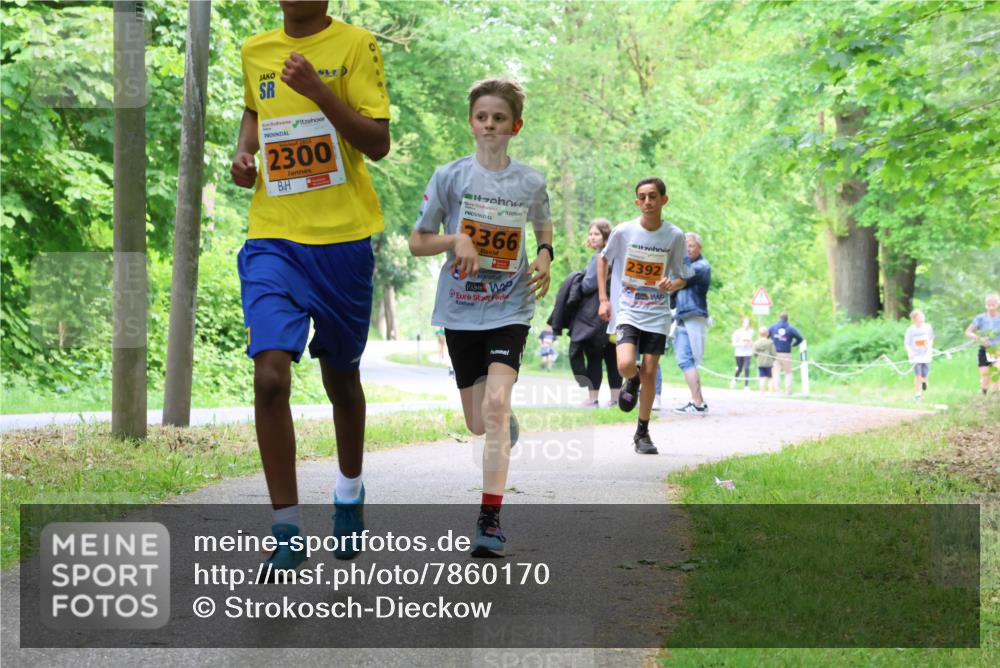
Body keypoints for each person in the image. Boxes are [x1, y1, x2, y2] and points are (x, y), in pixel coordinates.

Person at [230, 0, 391, 577]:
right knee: (270, 374)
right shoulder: (255, 51)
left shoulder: (356, 45)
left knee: (341, 380)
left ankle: (349, 492)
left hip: (344, 241)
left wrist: (320, 93)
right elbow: (255, 116)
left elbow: (377, 142)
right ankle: (286, 530)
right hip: (274, 237)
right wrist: (243, 154)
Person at [409, 77, 552, 557]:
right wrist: (456, 240)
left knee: (494, 405)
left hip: (510, 306)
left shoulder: (530, 181)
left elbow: (542, 221)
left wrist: (546, 254)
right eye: (482, 117)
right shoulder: (450, 177)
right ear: (471, 123)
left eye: (499, 118)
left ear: (515, 125)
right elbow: (417, 242)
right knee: (478, 422)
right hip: (460, 310)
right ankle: (500, 423)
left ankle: (489, 521)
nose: (490, 125)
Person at [598, 177, 691, 455]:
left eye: (653, 196)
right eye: (642, 197)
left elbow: (682, 277)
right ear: (637, 202)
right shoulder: (623, 231)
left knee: (651, 370)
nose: (648, 202)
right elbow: (603, 259)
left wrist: (670, 284)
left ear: (664, 199)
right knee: (626, 364)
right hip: (628, 309)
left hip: (657, 313)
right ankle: (633, 379)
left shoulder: (674, 236)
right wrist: (604, 299)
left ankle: (642, 432)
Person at [572, 219, 622, 407]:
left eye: (596, 234)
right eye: (590, 234)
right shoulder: (617, 256)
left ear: (605, 236)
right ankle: (615, 399)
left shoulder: (599, 258)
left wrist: (580, 279)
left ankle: (593, 398)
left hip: (596, 315)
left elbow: (588, 285)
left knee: (594, 356)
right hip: (615, 313)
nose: (592, 237)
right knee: (612, 356)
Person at [672, 233, 711, 414]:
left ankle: (697, 402)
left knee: (688, 359)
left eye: (691, 245)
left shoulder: (701, 266)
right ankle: (698, 402)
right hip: (684, 316)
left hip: (694, 316)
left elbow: (681, 279)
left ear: (699, 248)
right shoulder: (686, 265)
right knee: (686, 360)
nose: (688, 249)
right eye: (684, 246)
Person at [965, 292, 1000, 395]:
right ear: (985, 305)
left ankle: (996, 395)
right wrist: (979, 338)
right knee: (985, 376)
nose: (991, 307)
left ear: (998, 304)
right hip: (984, 350)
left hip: (996, 349)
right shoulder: (980, 318)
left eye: (993, 304)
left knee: (996, 370)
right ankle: (983, 392)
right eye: (989, 304)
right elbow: (968, 332)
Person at [768, 311, 804, 394]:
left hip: (775, 353)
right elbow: (800, 338)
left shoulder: (773, 327)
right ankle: (789, 390)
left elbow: (765, 335)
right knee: (788, 372)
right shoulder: (790, 328)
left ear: (779, 318)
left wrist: (771, 343)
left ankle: (777, 390)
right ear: (787, 319)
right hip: (786, 353)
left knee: (776, 372)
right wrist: (793, 344)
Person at [904, 309, 934, 400]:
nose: (921, 319)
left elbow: (931, 338)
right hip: (916, 357)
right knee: (918, 376)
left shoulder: (928, 327)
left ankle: (924, 382)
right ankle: (918, 394)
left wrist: (929, 345)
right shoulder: (911, 330)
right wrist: (910, 352)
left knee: (925, 375)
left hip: (926, 356)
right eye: (919, 317)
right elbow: (907, 343)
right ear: (914, 319)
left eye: (922, 316)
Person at [730, 316, 754, 390]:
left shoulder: (751, 332)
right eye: (745, 323)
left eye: (748, 323)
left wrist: (751, 343)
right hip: (739, 352)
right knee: (739, 368)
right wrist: (741, 344)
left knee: (746, 368)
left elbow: (751, 342)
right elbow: (733, 344)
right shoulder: (738, 332)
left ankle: (746, 385)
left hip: (748, 353)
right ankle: (734, 379)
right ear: (742, 323)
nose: (747, 324)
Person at [752, 326, 777, 393]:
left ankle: (762, 391)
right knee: (770, 377)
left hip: (760, 362)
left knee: (762, 377)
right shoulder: (770, 343)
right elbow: (773, 353)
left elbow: (754, 353)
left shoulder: (756, 343)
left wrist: (757, 356)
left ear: (759, 334)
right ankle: (770, 391)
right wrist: (774, 359)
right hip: (769, 363)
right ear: (767, 334)